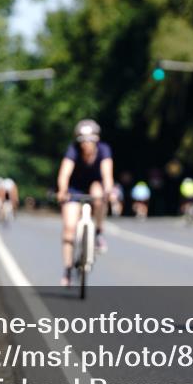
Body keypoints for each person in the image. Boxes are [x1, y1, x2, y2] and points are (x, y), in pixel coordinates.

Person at [56, 119, 117, 286]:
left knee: (99, 194)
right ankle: (67, 269)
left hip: (94, 185)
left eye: (90, 139)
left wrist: (109, 192)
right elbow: (64, 173)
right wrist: (62, 191)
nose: (86, 143)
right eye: (82, 140)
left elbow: (107, 175)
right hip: (75, 189)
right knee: (69, 227)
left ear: (96, 139)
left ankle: (98, 231)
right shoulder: (73, 151)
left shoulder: (104, 150)